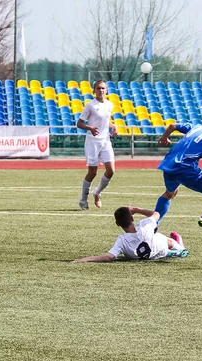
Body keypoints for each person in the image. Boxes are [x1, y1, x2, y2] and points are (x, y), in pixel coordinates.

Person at [73, 206, 187, 263]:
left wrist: (84, 259)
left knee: (157, 239)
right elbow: (156, 214)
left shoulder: (122, 240)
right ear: (132, 217)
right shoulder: (144, 224)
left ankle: (172, 251)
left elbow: (109, 257)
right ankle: (179, 247)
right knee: (165, 239)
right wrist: (137, 209)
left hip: (143, 256)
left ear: (117, 224)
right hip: (159, 249)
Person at [76, 80, 117, 210]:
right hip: (92, 141)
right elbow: (79, 123)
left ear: (106, 90)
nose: (101, 90)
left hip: (105, 140)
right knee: (92, 172)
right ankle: (83, 200)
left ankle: (97, 192)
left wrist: (113, 125)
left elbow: (105, 120)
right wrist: (90, 128)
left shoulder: (110, 104)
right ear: (94, 90)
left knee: (111, 170)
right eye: (98, 88)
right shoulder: (90, 106)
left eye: (103, 88)